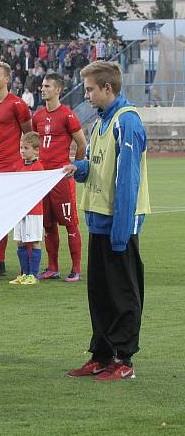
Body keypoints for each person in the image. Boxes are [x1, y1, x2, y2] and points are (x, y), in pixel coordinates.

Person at [63, 61, 150, 381]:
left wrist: (122, 229)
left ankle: (123, 359)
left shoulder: (127, 121)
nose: (85, 95)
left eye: (89, 89)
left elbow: (128, 179)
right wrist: (80, 169)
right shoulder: (100, 123)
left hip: (118, 223)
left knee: (123, 293)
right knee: (99, 292)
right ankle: (101, 354)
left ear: (107, 89)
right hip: (98, 220)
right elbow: (98, 168)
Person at [32, 73, 87, 282]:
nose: (42, 89)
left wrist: (74, 166)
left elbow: (81, 143)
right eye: (42, 86)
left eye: (47, 86)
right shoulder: (37, 116)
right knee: (47, 224)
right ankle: (52, 267)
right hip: (43, 178)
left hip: (61, 178)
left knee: (70, 223)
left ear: (58, 90)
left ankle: (76, 269)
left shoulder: (67, 115)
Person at [0, 61, 32, 277]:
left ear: (7, 79)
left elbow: (29, 135)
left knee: (21, 217)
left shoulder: (17, 105)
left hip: (12, 167)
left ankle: (27, 265)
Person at [7, 132, 44, 285]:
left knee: (34, 241)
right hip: (20, 211)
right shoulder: (19, 166)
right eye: (21, 147)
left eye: (26, 148)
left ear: (36, 150)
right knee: (20, 242)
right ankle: (24, 273)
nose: (22, 151)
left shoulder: (38, 167)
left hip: (34, 211)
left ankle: (33, 275)